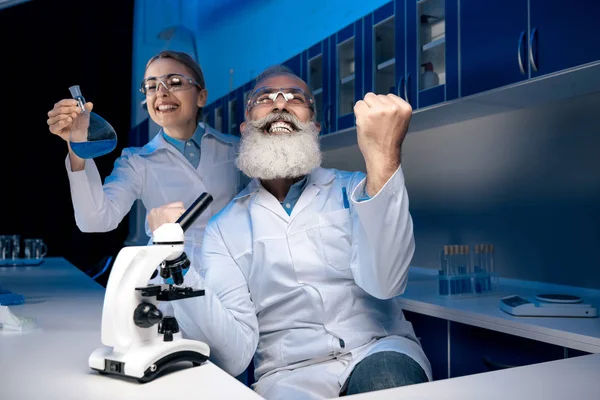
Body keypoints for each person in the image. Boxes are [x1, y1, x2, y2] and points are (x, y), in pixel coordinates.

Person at [148, 65, 432, 399]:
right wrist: (172, 258)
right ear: (246, 127)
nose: (280, 104)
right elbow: (235, 355)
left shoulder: (358, 189)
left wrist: (384, 158)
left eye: (296, 98)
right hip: (288, 374)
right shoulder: (223, 230)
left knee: (384, 381)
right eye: (265, 98)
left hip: (377, 349)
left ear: (315, 126)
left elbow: (386, 284)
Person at [46, 50, 240, 274]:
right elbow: (95, 221)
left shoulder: (235, 150)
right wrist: (77, 146)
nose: (161, 93)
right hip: (170, 282)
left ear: (201, 97)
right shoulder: (136, 161)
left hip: (232, 279)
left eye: (174, 82)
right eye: (151, 86)